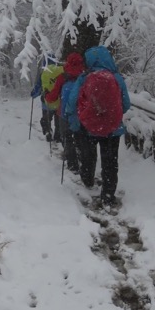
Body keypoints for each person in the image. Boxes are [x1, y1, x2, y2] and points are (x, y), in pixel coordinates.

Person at [65, 45, 131, 206]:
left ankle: (88, 181)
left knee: (89, 156)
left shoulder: (84, 77)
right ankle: (108, 196)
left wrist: (70, 113)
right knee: (110, 162)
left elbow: (73, 101)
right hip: (113, 129)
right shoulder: (117, 78)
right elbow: (126, 104)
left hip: (90, 126)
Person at [44, 52, 85, 173]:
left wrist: (46, 95)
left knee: (67, 137)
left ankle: (72, 163)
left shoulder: (63, 76)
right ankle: (82, 159)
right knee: (80, 137)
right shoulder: (84, 77)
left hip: (64, 112)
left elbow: (53, 96)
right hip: (81, 113)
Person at [30, 54, 63, 142]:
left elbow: (38, 87)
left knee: (46, 119)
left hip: (46, 102)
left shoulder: (44, 72)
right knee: (58, 120)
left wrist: (33, 94)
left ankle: (48, 131)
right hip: (58, 101)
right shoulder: (60, 71)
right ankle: (58, 135)